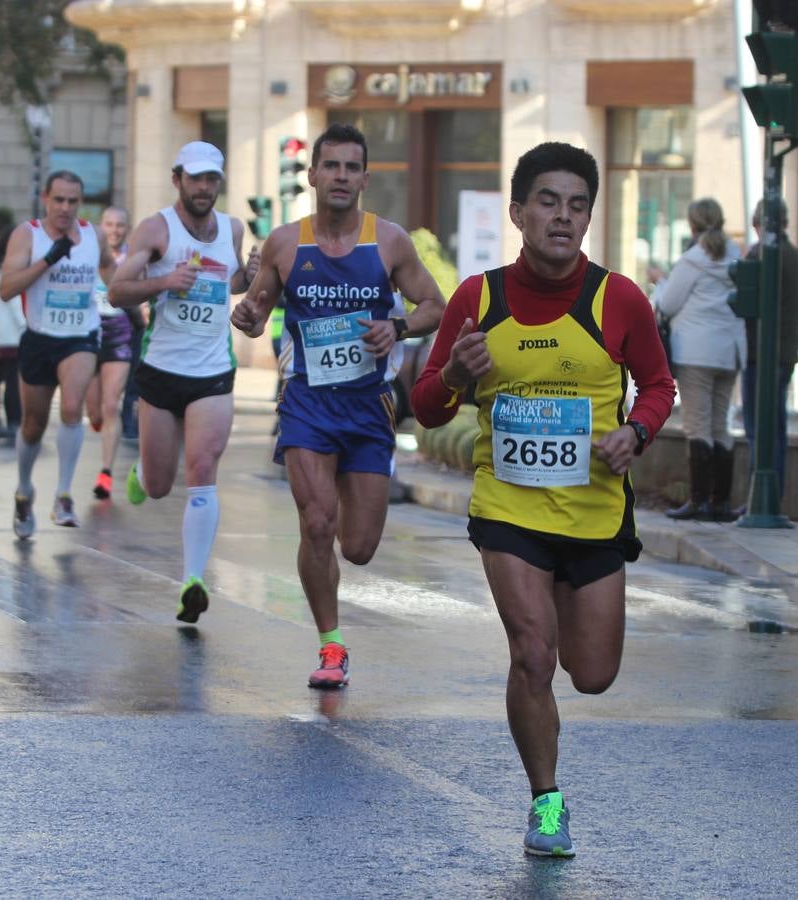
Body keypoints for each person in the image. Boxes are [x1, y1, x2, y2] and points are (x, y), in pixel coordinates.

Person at [410, 141, 675, 857]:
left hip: (593, 511)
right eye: (549, 203)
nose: (563, 216)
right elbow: (426, 408)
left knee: (591, 675)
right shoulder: (478, 298)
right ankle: (546, 802)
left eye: (578, 204)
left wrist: (635, 434)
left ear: (589, 215)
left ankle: (565, 610)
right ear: (520, 212)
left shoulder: (618, 299)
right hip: (509, 511)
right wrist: (457, 376)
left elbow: (658, 387)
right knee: (531, 653)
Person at [231, 123, 446, 685]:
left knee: (359, 547)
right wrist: (248, 317)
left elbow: (435, 306)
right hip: (307, 402)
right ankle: (330, 645)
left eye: (352, 168)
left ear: (365, 179)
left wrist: (395, 328)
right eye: (332, 166)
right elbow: (255, 313)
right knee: (317, 522)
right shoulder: (285, 243)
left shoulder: (390, 241)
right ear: (313, 175)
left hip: (368, 405)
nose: (341, 176)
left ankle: (336, 595)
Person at [107, 142, 259, 623]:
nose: (203, 188)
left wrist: (247, 276)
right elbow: (116, 291)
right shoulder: (156, 230)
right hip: (162, 368)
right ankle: (139, 475)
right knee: (157, 485)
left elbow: (229, 281)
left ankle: (192, 582)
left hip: (212, 370)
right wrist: (163, 283)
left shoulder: (232, 228)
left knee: (202, 469)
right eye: (195, 179)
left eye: (211, 179)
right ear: (177, 180)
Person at [0, 170, 117, 537]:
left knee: (71, 408)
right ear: (46, 199)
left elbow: (112, 271)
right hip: (39, 338)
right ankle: (24, 489)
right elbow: (6, 288)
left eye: (73, 201)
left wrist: (129, 293)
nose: (65, 208)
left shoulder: (93, 236)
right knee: (32, 425)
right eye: (59, 200)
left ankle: (64, 493)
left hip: (80, 336)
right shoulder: (27, 234)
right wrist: (47, 260)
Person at [654, 197, 744, 521]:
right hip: (729, 351)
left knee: (697, 425)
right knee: (722, 425)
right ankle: (721, 503)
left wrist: (661, 282)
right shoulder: (736, 256)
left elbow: (668, 304)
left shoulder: (692, 260)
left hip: (695, 351)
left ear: (692, 225)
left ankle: (699, 501)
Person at [740, 198, 798, 503]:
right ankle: (771, 496)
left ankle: (763, 499)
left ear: (759, 224)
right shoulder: (792, 255)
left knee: (760, 431)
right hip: (784, 352)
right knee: (775, 429)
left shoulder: (764, 254)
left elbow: (745, 296)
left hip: (764, 354)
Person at [85, 206, 134, 499]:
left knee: (111, 405)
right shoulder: (88, 253)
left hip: (120, 330)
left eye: (120, 225)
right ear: (100, 227)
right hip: (91, 330)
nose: (114, 230)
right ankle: (101, 424)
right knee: (94, 411)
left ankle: (105, 472)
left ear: (127, 229)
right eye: (109, 225)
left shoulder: (133, 258)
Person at [0, 226, 26, 441]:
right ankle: (13, 422)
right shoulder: (9, 270)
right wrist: (25, 326)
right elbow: (13, 302)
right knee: (11, 380)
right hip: (10, 331)